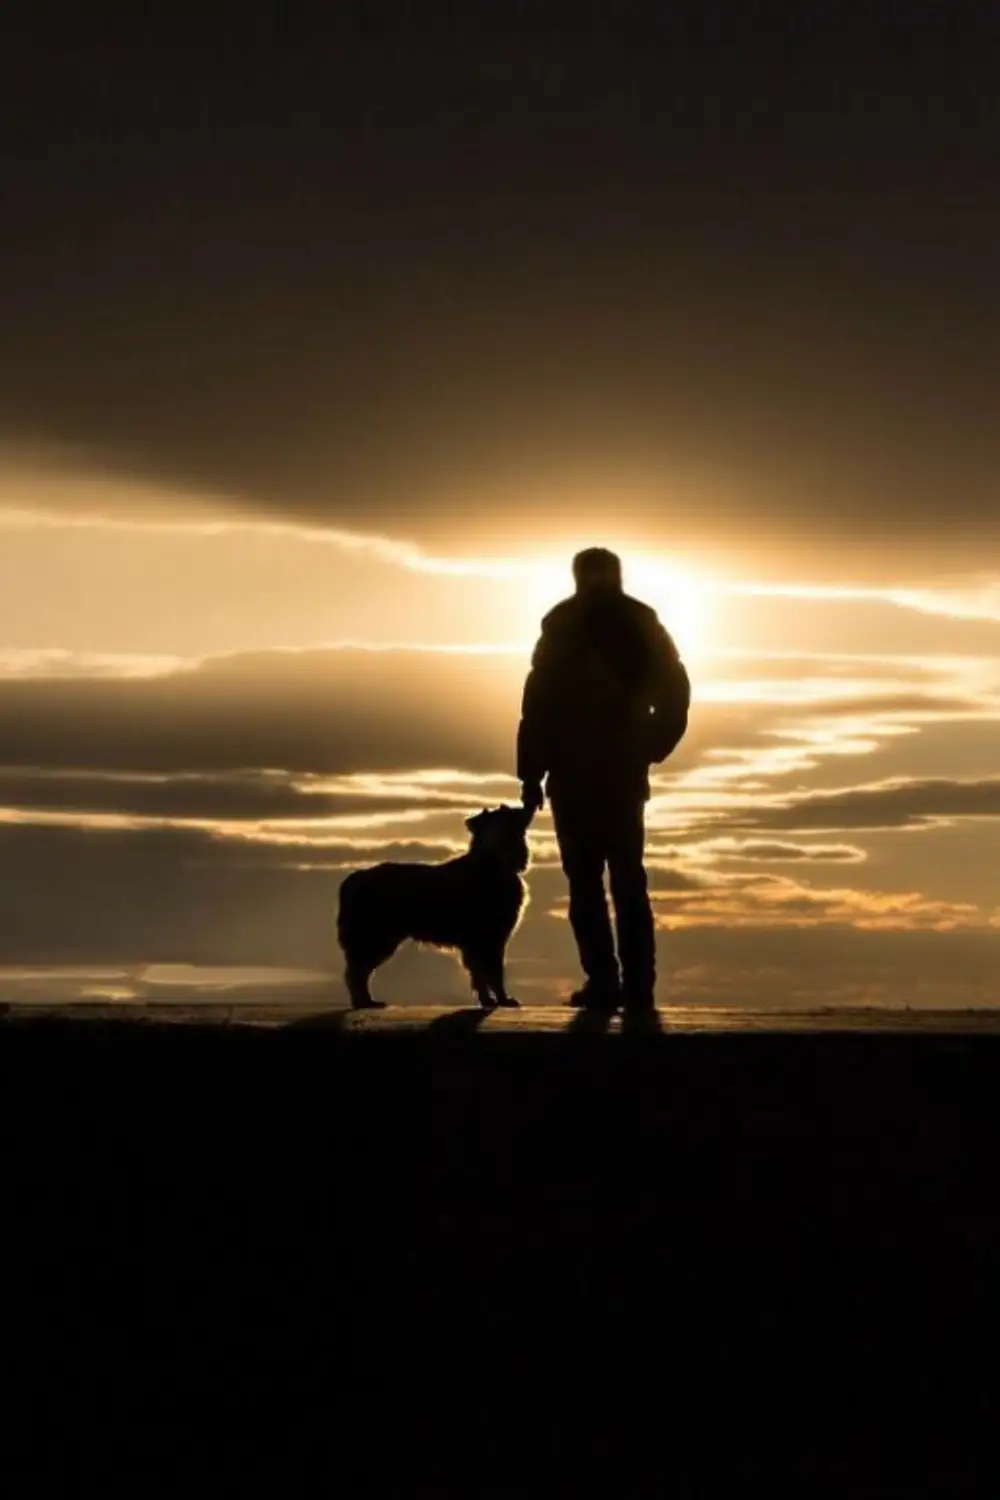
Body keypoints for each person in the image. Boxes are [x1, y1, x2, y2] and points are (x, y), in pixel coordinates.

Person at [516, 547, 691, 1016]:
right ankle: (605, 982)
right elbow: (537, 705)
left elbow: (675, 688)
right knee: (590, 885)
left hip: (616, 775)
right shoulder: (561, 626)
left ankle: (633, 986)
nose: (594, 583)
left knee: (625, 883)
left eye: (600, 575)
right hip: (575, 777)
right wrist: (531, 774)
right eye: (588, 575)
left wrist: (652, 745)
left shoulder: (639, 623)